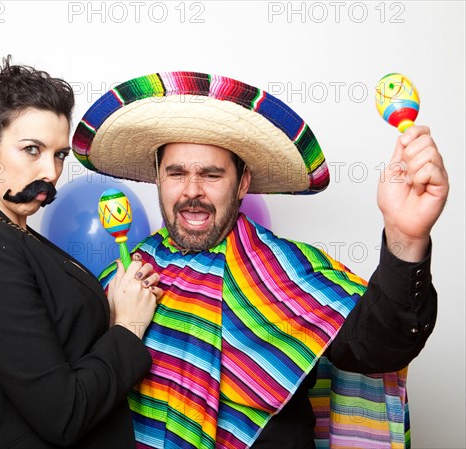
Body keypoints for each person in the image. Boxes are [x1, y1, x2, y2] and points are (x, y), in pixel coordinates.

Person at [69, 71, 448, 449]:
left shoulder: (288, 269)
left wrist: (406, 236)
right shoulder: (124, 277)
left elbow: (377, 345)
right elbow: (79, 399)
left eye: (212, 174)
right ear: (157, 179)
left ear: (243, 183)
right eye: (176, 173)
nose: (192, 191)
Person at [0, 57, 164, 449]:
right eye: (32, 150)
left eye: (58, 155)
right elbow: (63, 414)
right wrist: (129, 328)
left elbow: (55, 346)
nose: (51, 172)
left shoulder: (16, 236)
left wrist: (113, 308)